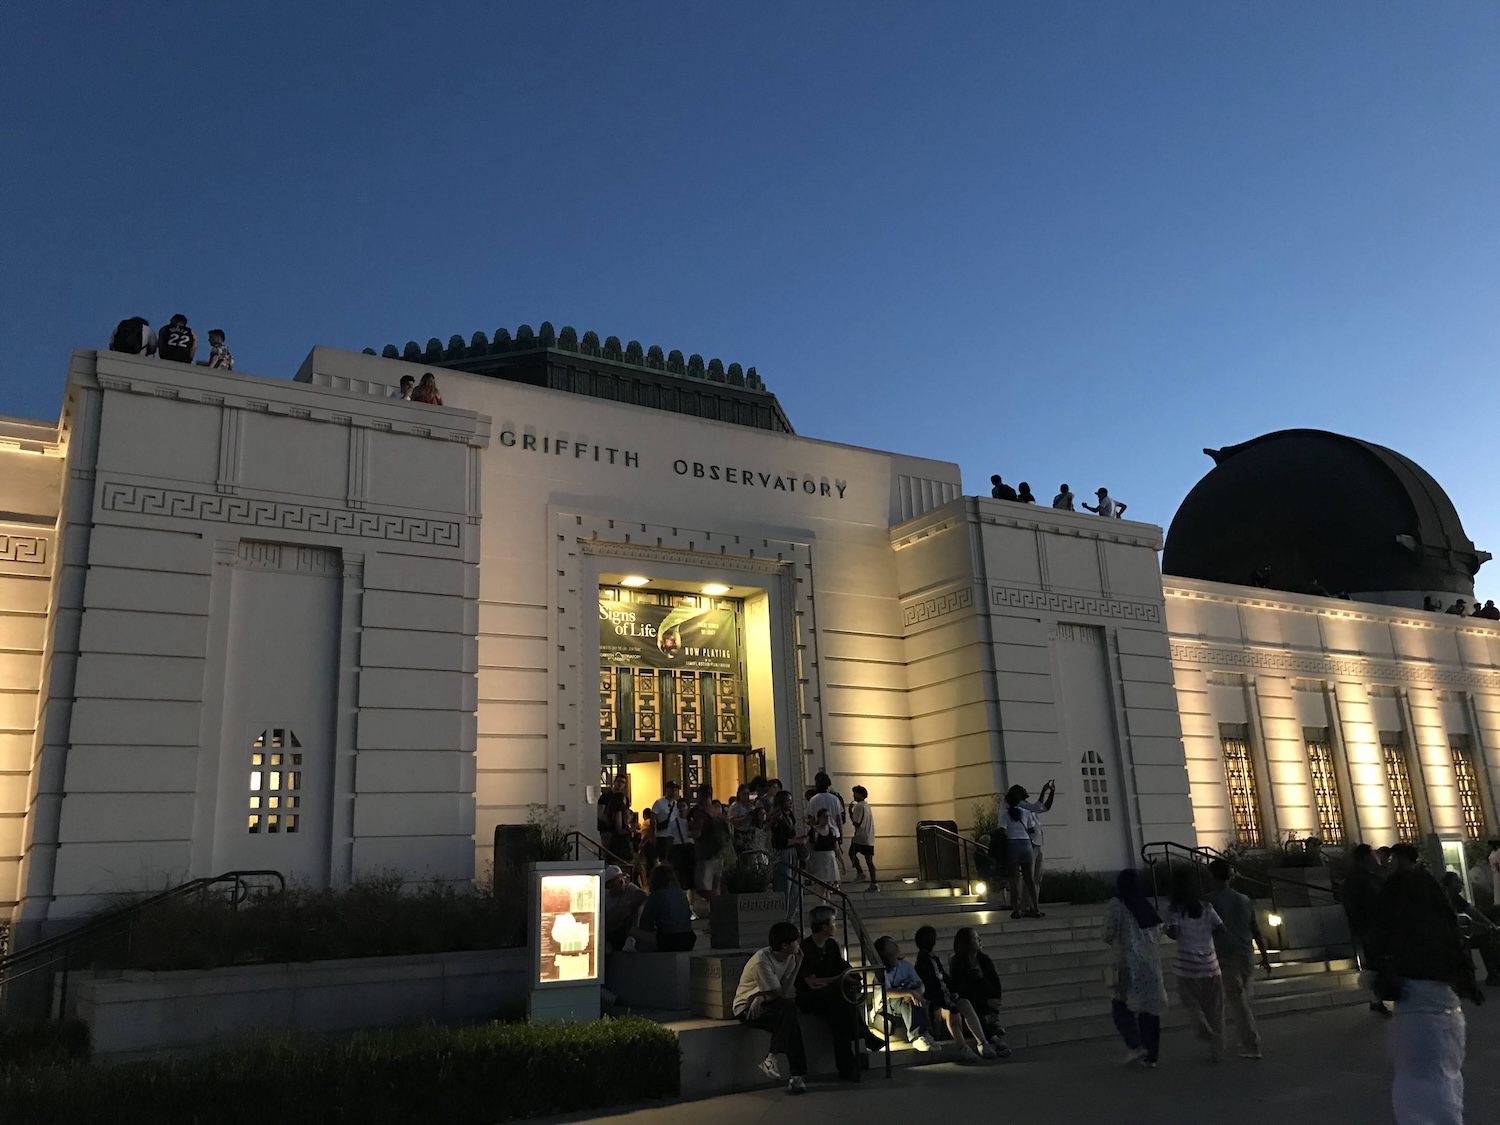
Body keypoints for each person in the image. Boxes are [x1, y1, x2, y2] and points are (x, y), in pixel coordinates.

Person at [1371, 844, 1482, 1125]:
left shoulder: (1398, 899)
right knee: (1444, 1079)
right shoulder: (1434, 906)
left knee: (1417, 1085)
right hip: (1445, 1003)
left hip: (1415, 1004)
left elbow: (1380, 933)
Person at [797, 906, 883, 1081]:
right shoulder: (805, 949)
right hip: (809, 997)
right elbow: (813, 984)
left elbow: (841, 965)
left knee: (840, 1018)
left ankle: (848, 1067)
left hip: (831, 998)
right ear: (824, 927)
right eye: (833, 923)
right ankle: (865, 1035)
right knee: (840, 999)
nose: (835, 926)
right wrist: (838, 979)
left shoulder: (831, 945)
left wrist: (851, 975)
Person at [1206, 859, 1272, 1058]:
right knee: (1242, 997)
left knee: (1237, 1000)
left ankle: (1251, 1042)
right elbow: (1256, 930)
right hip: (1245, 953)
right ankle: (1244, 1038)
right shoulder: (1243, 899)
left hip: (1225, 954)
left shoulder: (1209, 901)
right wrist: (1264, 955)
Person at [734, 921, 810, 1095]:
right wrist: (762, 996)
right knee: (789, 1011)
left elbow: (784, 990)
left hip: (768, 1003)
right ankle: (792, 1072)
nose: (799, 944)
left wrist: (798, 964)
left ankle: (777, 1063)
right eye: (796, 941)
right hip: (747, 1008)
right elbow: (780, 993)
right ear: (785, 945)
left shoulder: (791, 957)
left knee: (790, 1016)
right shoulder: (762, 961)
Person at [1102, 869, 1168, 1068]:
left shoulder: (1117, 905)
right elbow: (1158, 932)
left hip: (1126, 963)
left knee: (1120, 1006)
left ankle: (1135, 1044)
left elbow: (1107, 933)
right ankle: (1151, 1055)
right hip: (1150, 964)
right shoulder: (1146, 906)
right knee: (1150, 1010)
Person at [1164, 867, 1226, 1062]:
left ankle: (1201, 1026)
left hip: (1187, 965)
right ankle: (1217, 1050)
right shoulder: (1206, 907)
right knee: (1215, 1009)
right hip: (1210, 963)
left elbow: (1173, 933)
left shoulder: (1176, 909)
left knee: (1190, 1001)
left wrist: (1168, 928)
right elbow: (1221, 928)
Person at [913, 925, 995, 1061]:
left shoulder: (934, 959)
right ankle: (962, 1046)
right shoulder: (924, 962)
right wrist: (949, 1003)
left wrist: (954, 993)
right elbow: (933, 989)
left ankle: (982, 1042)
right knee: (952, 1012)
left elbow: (945, 980)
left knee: (965, 1003)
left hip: (944, 999)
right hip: (935, 1005)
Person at [1344, 843, 1392, 1016]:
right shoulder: (1357, 879)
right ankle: (1376, 998)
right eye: (1372, 854)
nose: (1375, 856)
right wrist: (1360, 930)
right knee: (1375, 964)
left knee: (1380, 963)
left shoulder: (1373, 876)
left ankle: (1378, 997)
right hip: (1370, 929)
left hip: (1379, 928)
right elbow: (1353, 907)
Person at [948, 927, 1011, 1055]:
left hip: (986, 1000)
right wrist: (985, 1000)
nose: (980, 941)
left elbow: (995, 982)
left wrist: (995, 1001)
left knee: (982, 989)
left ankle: (992, 1030)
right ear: (968, 943)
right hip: (972, 1002)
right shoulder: (958, 962)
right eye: (976, 938)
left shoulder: (984, 960)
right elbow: (962, 989)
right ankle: (993, 1038)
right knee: (974, 1009)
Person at [872, 937, 938, 1051]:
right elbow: (887, 992)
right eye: (890, 942)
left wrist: (916, 993)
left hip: (908, 997)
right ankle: (916, 1036)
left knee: (915, 997)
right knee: (906, 999)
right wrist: (910, 993)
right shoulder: (881, 970)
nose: (894, 943)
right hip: (887, 1004)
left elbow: (920, 984)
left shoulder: (905, 965)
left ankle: (926, 1033)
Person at [1440, 872, 1500, 985]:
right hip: (1450, 936)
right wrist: (1487, 925)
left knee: (1485, 937)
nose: (1461, 884)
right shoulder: (1442, 899)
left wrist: (1490, 925)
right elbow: (1464, 919)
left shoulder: (1456, 898)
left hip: (1461, 933)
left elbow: (1472, 912)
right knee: (1468, 941)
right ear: (1450, 884)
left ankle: (1493, 972)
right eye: (1457, 881)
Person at [632, 864, 697, 951]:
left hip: (668, 940)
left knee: (634, 932)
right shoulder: (682, 894)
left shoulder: (657, 896)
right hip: (688, 940)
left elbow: (645, 924)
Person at [1002, 786, 1043, 919]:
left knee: (1014, 880)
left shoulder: (1005, 814)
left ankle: (1016, 910)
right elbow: (1031, 830)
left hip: (1012, 845)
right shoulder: (1026, 812)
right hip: (1026, 845)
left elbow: (1001, 830)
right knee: (1029, 879)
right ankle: (1035, 908)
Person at [770, 789, 805, 921]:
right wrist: (797, 841)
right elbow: (779, 840)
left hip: (793, 851)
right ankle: (781, 919)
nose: (790, 803)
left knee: (795, 890)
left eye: (791, 801)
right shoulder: (777, 817)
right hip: (783, 853)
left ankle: (790, 919)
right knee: (784, 887)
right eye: (787, 801)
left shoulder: (790, 816)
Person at [1018, 780, 1055, 901]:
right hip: (1031, 844)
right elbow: (1037, 806)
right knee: (1029, 877)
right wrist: (1044, 791)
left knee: (1037, 877)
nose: (1025, 791)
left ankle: (1034, 904)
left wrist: (1052, 792)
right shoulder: (1021, 805)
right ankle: (1026, 904)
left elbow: (1045, 807)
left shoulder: (1028, 805)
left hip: (1038, 844)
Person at [602, 864, 647, 952]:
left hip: (627, 927)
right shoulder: (604, 896)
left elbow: (642, 895)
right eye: (617, 880)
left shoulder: (629, 888)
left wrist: (627, 908)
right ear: (609, 884)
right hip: (612, 930)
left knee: (638, 906)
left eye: (622, 878)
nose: (622, 882)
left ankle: (631, 939)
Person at [847, 785, 878, 892]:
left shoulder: (859, 806)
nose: (853, 796)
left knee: (851, 853)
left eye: (855, 793)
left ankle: (860, 872)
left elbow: (856, 822)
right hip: (869, 836)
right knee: (869, 861)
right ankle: (874, 882)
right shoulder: (867, 806)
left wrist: (850, 812)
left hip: (860, 836)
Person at [805, 807, 841, 899]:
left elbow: (836, 847)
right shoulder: (814, 830)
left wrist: (841, 862)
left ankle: (827, 902)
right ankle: (822, 903)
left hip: (830, 858)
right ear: (819, 818)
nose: (827, 819)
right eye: (824, 817)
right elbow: (809, 846)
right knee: (821, 886)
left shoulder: (832, 830)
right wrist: (809, 861)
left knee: (829, 885)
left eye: (828, 816)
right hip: (819, 858)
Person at [728, 784, 756, 852]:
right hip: (739, 833)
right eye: (744, 794)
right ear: (739, 794)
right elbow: (732, 820)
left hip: (751, 832)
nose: (746, 796)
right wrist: (745, 819)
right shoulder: (734, 806)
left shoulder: (751, 805)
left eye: (747, 794)